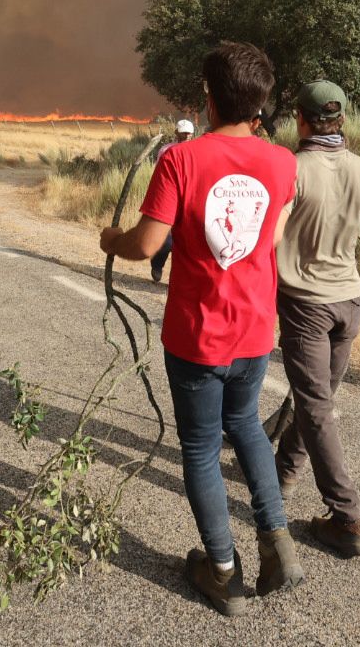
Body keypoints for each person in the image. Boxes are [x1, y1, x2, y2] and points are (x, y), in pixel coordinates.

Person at [100, 42, 302, 616]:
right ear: (260, 101)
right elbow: (273, 237)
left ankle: (221, 572)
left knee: (200, 447)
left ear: (210, 99)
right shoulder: (283, 163)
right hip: (256, 330)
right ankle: (276, 538)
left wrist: (109, 239)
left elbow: (144, 245)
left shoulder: (180, 160)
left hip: (197, 334)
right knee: (247, 427)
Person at [273, 80, 360, 557]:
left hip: (305, 304)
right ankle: (284, 473)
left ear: (300, 120)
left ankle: (348, 519)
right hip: (349, 302)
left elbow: (271, 237)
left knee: (316, 405)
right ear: (341, 120)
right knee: (317, 399)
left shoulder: (290, 168)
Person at [148, 118, 197, 283]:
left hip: (190, 200)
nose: (186, 136)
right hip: (170, 198)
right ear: (176, 133)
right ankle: (157, 265)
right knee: (166, 240)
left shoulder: (197, 151)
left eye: (189, 133)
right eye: (183, 133)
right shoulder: (166, 150)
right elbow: (159, 174)